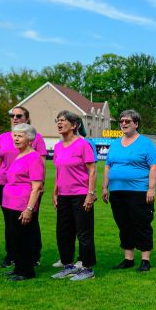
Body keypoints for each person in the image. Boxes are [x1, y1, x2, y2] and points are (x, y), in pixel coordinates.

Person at [103, 109, 156, 272]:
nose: (123, 124)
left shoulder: (146, 143)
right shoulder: (115, 144)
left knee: (141, 224)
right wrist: (104, 187)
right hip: (117, 191)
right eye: (121, 121)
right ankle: (128, 258)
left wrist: (151, 189)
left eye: (127, 121)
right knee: (123, 224)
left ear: (136, 124)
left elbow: (154, 167)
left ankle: (145, 260)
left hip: (138, 191)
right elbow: (108, 166)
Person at [0, 105, 46, 268]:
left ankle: (32, 256)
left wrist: (39, 186)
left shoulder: (36, 139)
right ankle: (12, 255)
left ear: (27, 118)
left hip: (27, 187)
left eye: (19, 115)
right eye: (12, 115)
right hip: (6, 184)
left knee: (29, 222)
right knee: (11, 223)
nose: (14, 118)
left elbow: (40, 162)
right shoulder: (3, 138)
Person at [50, 110, 97, 281]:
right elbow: (58, 171)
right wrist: (55, 192)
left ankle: (87, 268)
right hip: (63, 195)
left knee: (83, 233)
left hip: (80, 195)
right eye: (58, 120)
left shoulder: (83, 145)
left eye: (63, 120)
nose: (59, 123)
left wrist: (90, 194)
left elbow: (92, 170)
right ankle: (68, 265)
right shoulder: (57, 147)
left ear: (74, 125)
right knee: (63, 232)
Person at [0, 123, 45, 280]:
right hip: (9, 204)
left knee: (22, 238)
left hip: (22, 205)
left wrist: (29, 209)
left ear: (30, 139)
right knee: (15, 238)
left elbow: (37, 186)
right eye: (15, 135)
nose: (16, 138)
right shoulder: (18, 155)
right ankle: (19, 267)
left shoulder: (34, 158)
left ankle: (26, 271)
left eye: (20, 136)